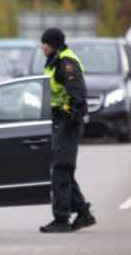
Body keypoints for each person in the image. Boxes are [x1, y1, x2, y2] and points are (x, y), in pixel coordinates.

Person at [39, 28, 96, 233]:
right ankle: (83, 212)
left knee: (61, 169)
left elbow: (78, 95)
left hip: (69, 122)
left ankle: (62, 219)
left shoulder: (66, 63)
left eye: (44, 43)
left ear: (52, 44)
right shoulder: (55, 60)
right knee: (63, 169)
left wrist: (70, 119)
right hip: (60, 121)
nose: (41, 46)